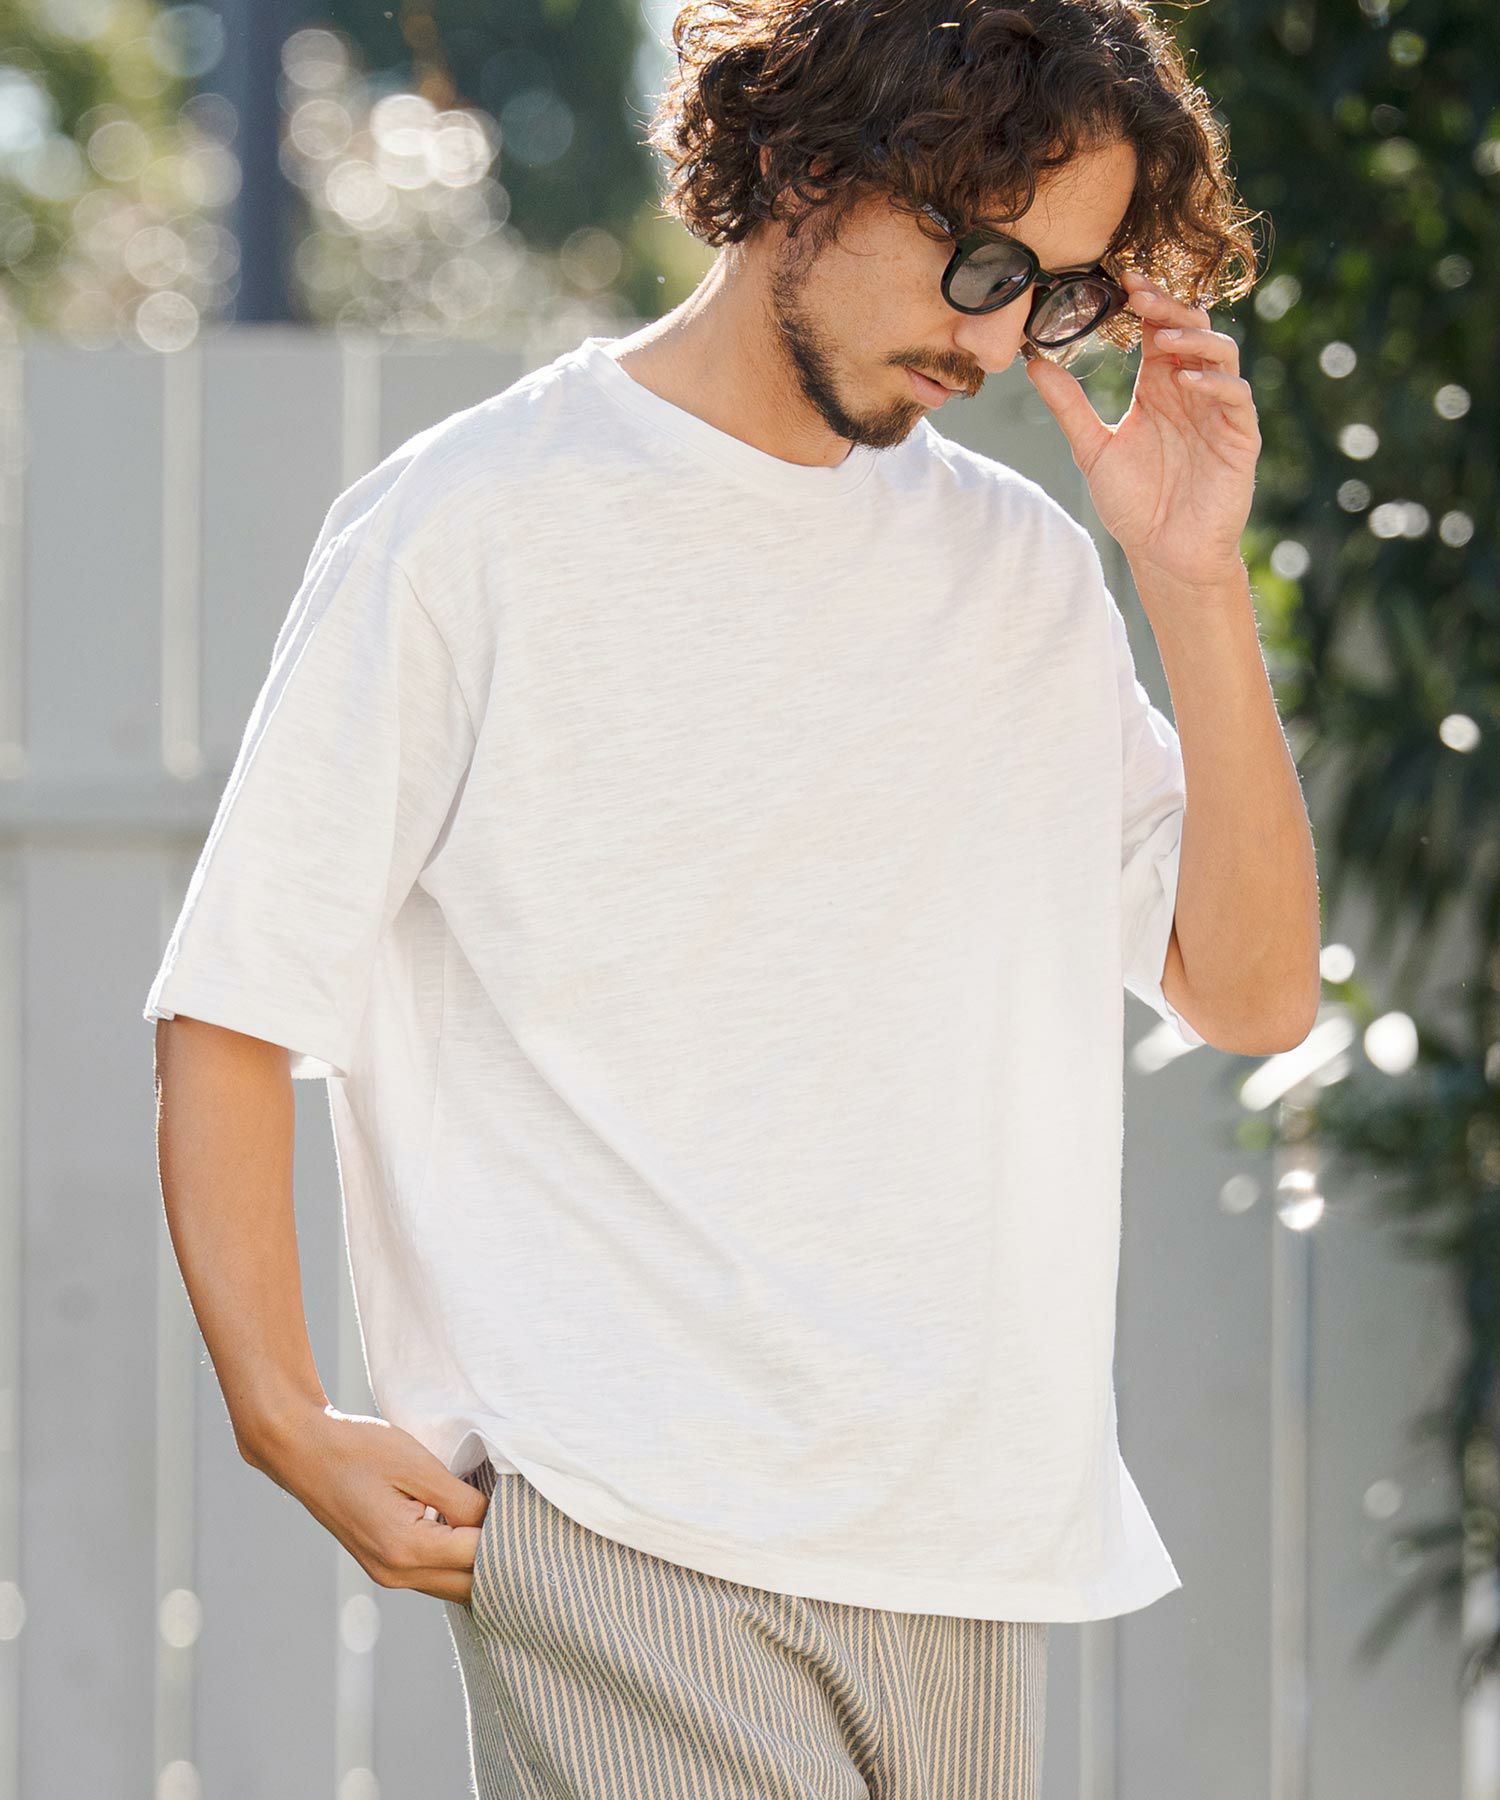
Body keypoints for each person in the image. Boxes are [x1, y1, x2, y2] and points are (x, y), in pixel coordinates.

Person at [145, 0, 1321, 1792]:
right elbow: (234, 997)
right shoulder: (474, 523)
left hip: (963, 1549)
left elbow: (1250, 991)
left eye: (1052, 294)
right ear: (800, 161)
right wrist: (279, 1412)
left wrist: (1194, 583)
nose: (995, 338)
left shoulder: (1020, 571)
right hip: (623, 1521)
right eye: (981, 259)